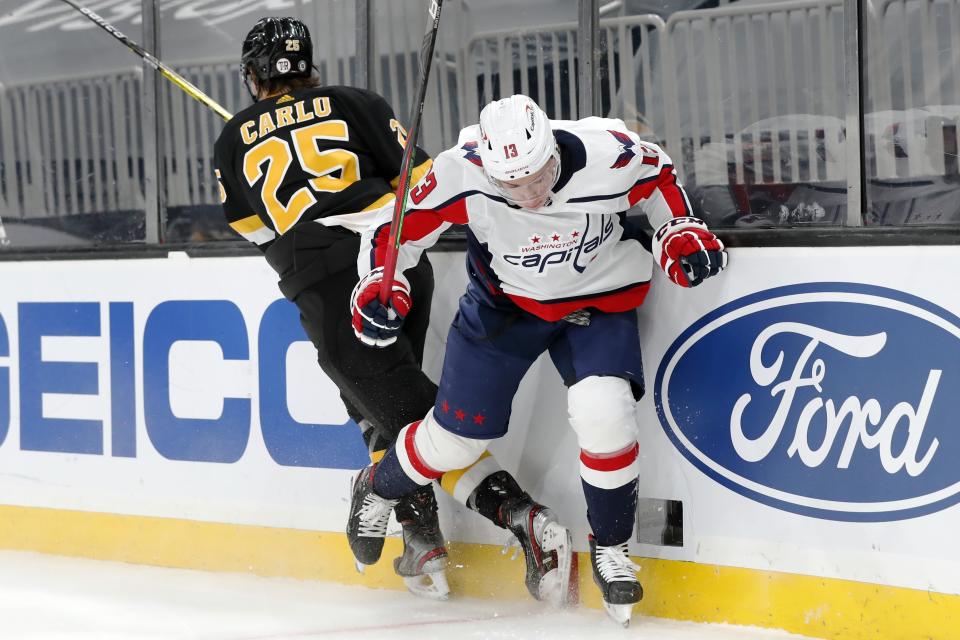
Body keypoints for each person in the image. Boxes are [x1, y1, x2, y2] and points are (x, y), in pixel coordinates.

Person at [212, 18, 571, 602]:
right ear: (310, 68)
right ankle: (420, 533)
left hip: (325, 278)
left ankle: (520, 517)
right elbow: (423, 180)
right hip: (394, 264)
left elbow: (252, 227)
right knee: (384, 400)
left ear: (254, 78)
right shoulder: (357, 102)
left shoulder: (233, 137)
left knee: (411, 414)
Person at [346, 94, 727, 626]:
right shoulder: (459, 172)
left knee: (605, 410)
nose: (529, 193)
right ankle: (378, 486)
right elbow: (393, 231)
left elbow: (660, 179)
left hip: (598, 299)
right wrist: (379, 286)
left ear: (552, 150)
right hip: (505, 307)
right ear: (487, 166)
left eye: (538, 175)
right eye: (512, 184)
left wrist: (677, 232)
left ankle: (611, 549)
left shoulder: (607, 154)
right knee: (458, 437)